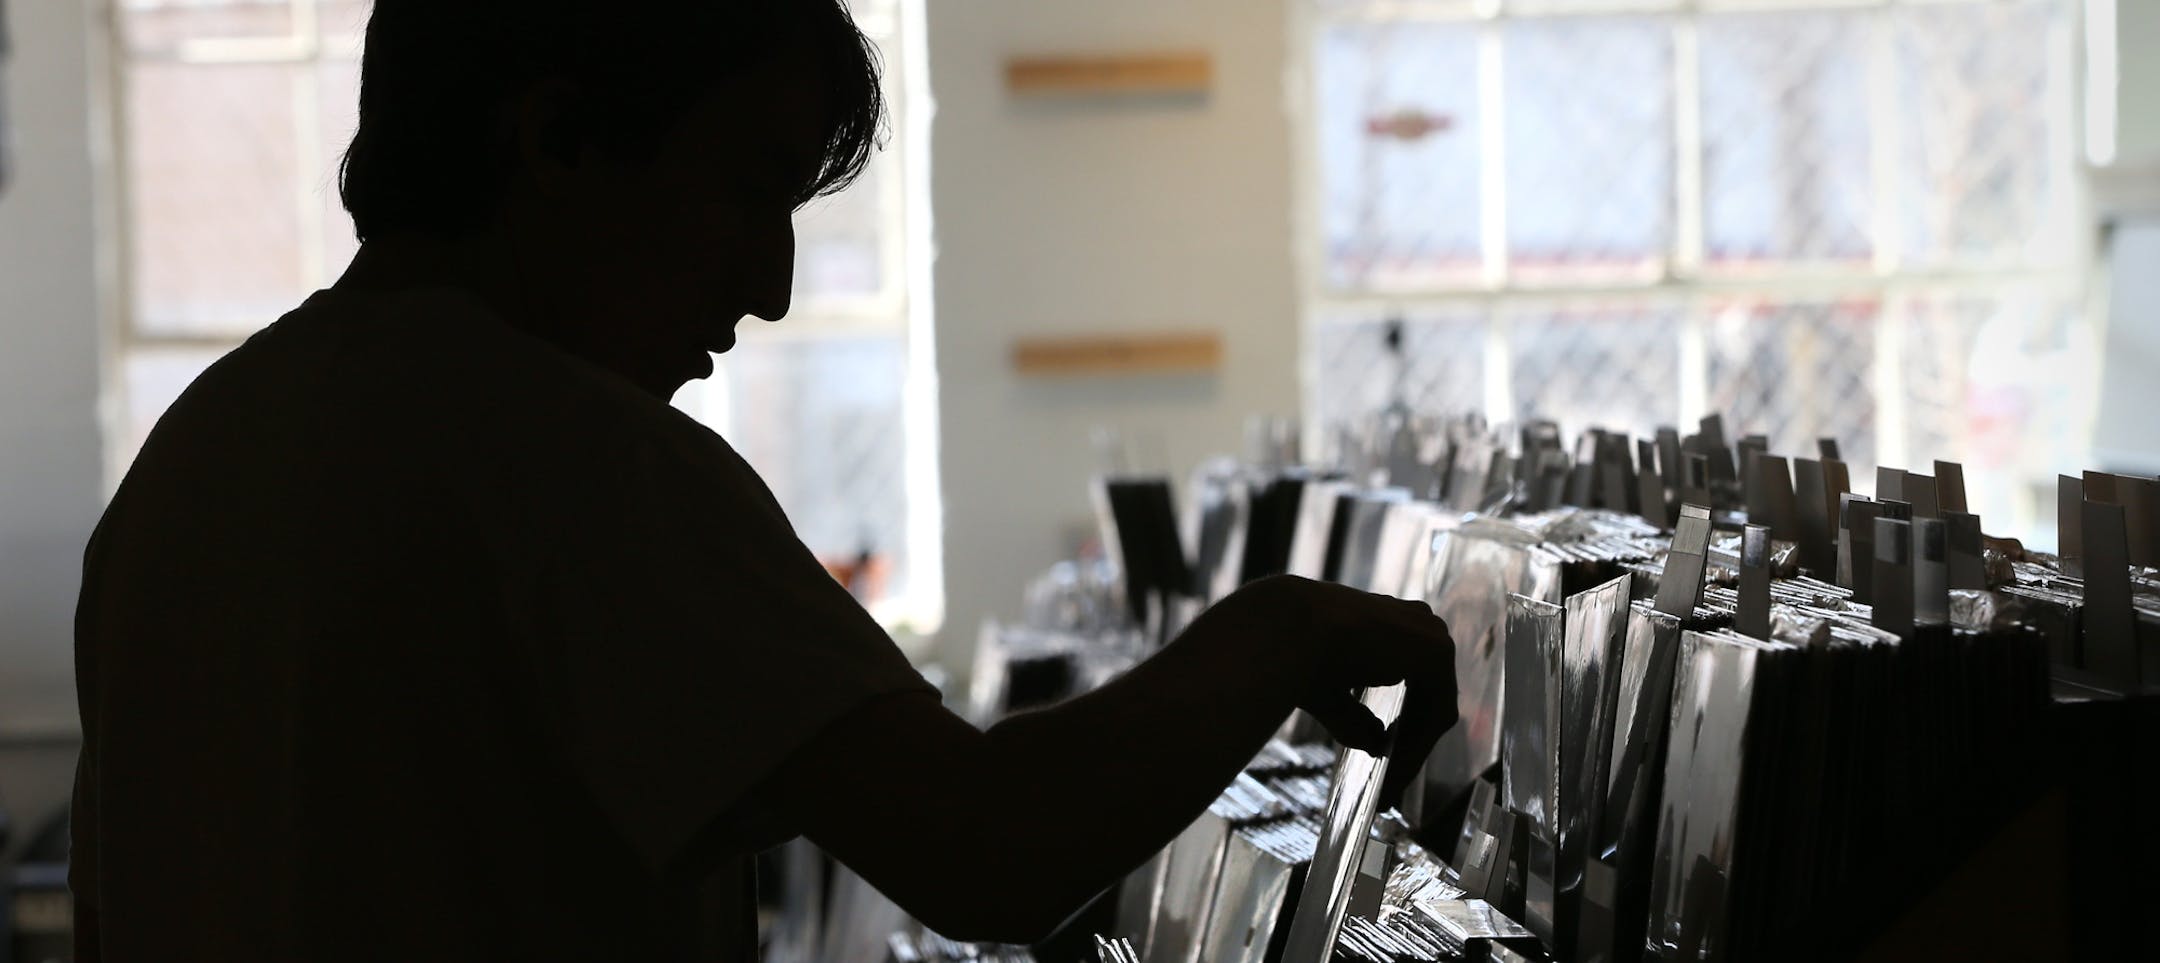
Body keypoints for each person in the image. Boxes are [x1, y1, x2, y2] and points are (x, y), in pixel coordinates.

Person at [69, 1, 1458, 960]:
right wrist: (1282, 630)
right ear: (553, 143)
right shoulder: (578, 464)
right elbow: (991, 848)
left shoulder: (200, 457)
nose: (773, 289)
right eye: (746, 193)